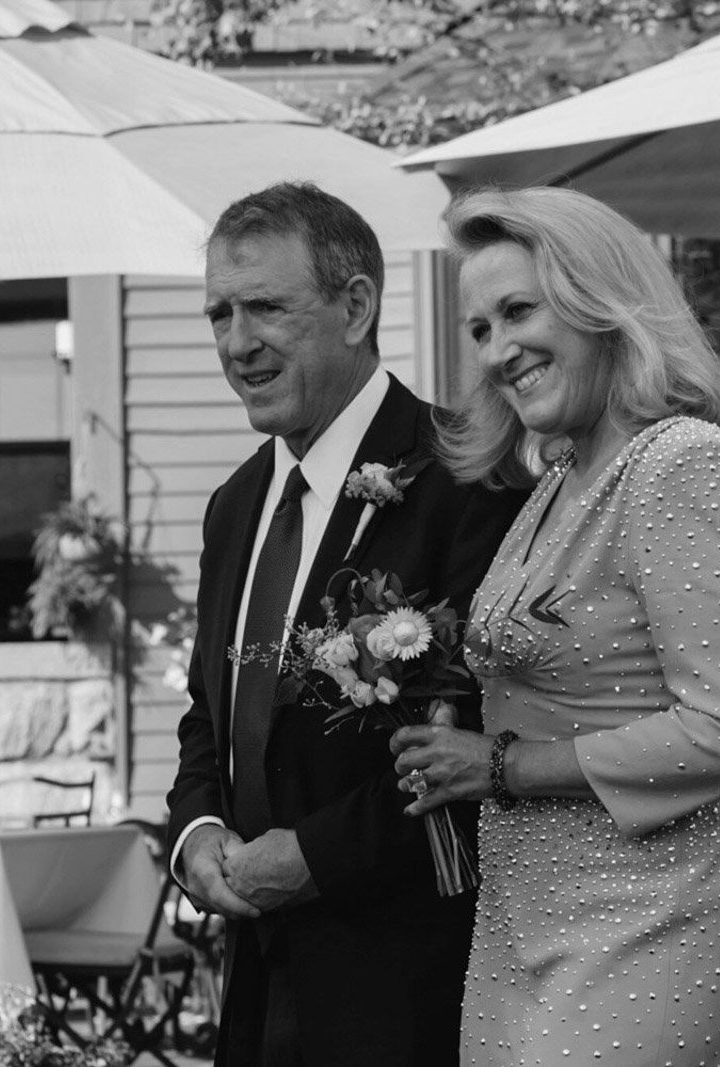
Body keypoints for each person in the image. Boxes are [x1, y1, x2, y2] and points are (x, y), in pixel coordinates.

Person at [390, 186, 720, 1067]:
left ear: (599, 301)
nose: (497, 350)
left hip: (652, 914)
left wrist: (502, 766)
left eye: (518, 310)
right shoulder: (555, 483)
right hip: (519, 917)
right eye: (479, 328)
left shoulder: (684, 464)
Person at [165, 182, 525, 1067]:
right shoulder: (235, 504)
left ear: (356, 305)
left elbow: (483, 732)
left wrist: (313, 857)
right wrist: (197, 834)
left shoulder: (464, 480)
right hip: (255, 979)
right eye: (219, 313)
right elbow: (209, 715)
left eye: (265, 309)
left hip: (403, 984)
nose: (237, 343)